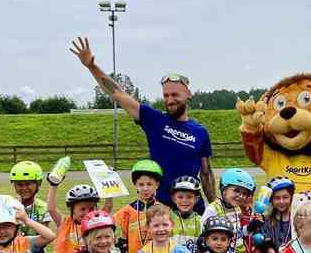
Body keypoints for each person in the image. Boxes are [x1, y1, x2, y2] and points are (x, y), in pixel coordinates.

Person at [70, 37, 216, 207]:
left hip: (191, 208)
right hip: (159, 208)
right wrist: (91, 66)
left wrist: (215, 206)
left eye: (175, 95)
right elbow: (117, 93)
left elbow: (206, 173)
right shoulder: (154, 120)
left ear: (188, 94)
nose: (170, 100)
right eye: (166, 95)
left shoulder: (200, 132)